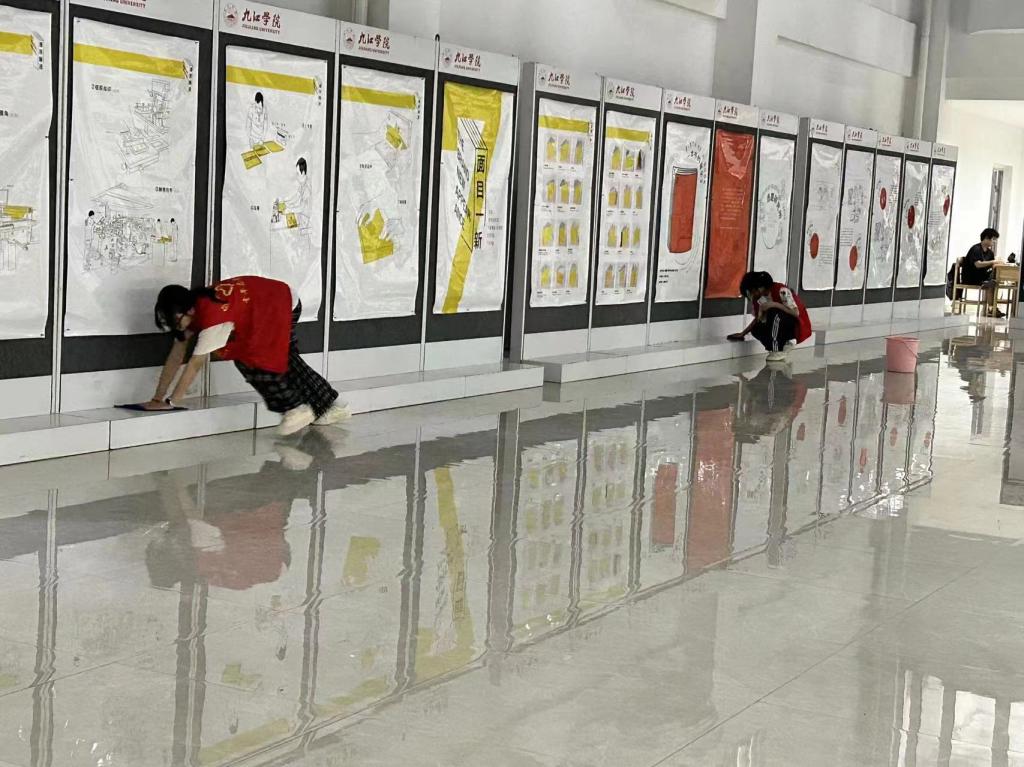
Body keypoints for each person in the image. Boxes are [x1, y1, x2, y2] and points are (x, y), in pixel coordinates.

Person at [148, 275, 349, 435]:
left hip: (281, 303)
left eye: (176, 321)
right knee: (284, 357)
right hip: (274, 300)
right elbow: (176, 356)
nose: (176, 327)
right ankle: (328, 405)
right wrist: (158, 397)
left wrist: (172, 401)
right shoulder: (194, 307)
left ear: (189, 311)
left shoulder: (212, 316)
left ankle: (295, 407)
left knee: (255, 359)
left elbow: (195, 364)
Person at [727, 271, 812, 362]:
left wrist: (774, 304)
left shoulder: (782, 290)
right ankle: (777, 347)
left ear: (759, 288)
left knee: (774, 313)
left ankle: (778, 349)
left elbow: (796, 313)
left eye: (752, 292)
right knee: (756, 328)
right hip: (777, 325)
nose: (752, 295)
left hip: (794, 326)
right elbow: (758, 319)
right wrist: (743, 333)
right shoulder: (760, 298)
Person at [957, 227, 1004, 318]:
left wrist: (998, 263)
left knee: (994, 282)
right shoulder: (976, 249)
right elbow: (977, 264)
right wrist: (993, 262)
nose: (994, 242)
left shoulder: (990, 253)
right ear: (986, 238)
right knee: (992, 283)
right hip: (971, 278)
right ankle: (992, 308)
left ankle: (992, 308)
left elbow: (991, 265)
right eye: (993, 239)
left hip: (982, 277)